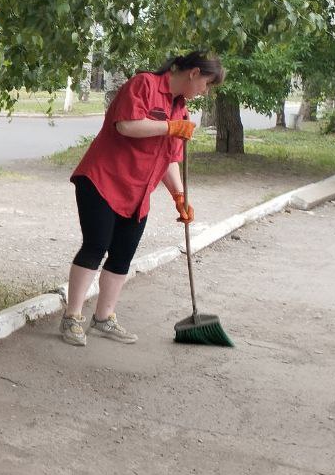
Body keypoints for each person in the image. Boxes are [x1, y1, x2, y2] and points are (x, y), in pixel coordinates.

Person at [59, 51, 224, 347]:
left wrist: (179, 197)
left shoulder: (181, 111)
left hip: (138, 192)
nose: (205, 91)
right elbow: (127, 125)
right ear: (194, 73)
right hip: (102, 180)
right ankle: (72, 317)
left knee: (123, 254)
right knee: (96, 246)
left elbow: (170, 160)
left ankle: (103, 317)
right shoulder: (144, 85)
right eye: (207, 84)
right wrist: (169, 127)